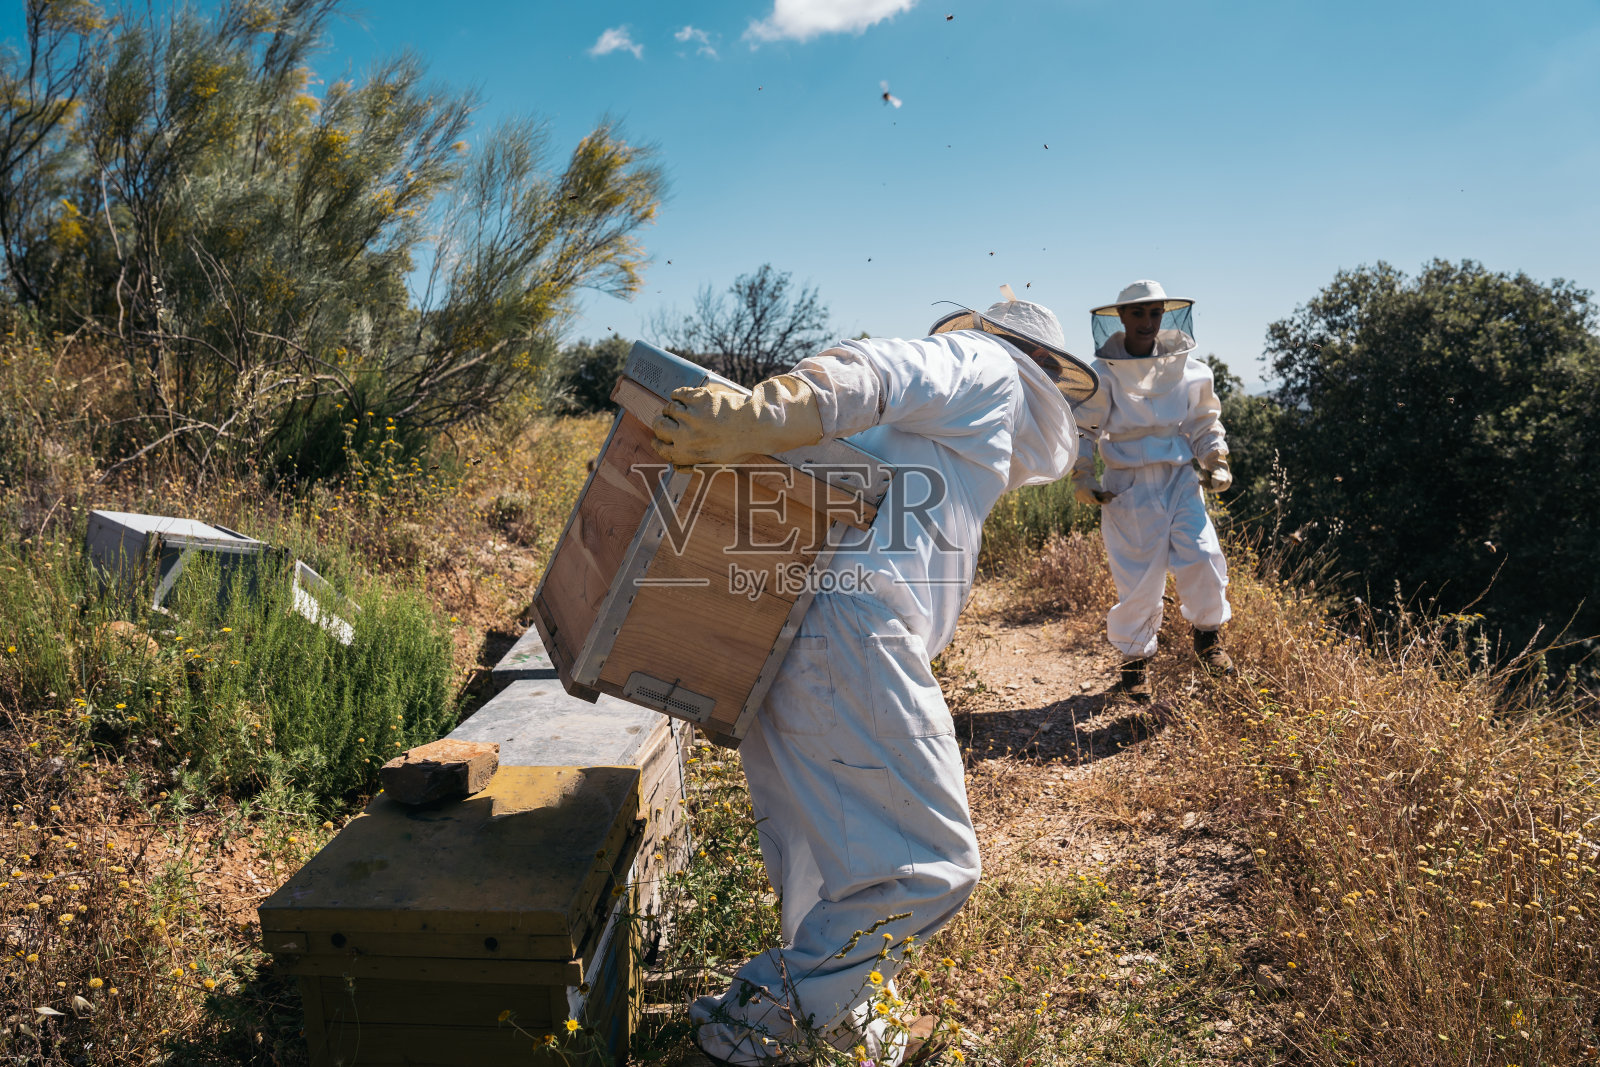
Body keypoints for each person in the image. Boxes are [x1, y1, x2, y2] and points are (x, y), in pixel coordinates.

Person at [650, 288, 1096, 1065]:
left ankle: (835, 1022)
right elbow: (883, 365)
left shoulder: (954, 429)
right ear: (1044, 368)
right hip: (853, 633)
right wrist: (760, 414)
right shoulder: (990, 365)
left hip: (801, 619)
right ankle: (748, 1027)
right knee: (935, 864)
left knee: (827, 855)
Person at [1070, 279, 1235, 702]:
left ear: (1166, 315)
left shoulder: (1188, 368)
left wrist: (1215, 459)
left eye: (1155, 312)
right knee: (1140, 579)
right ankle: (1135, 664)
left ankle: (1208, 638)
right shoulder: (1103, 374)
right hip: (1128, 484)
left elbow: (1202, 420)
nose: (1148, 321)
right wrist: (1082, 473)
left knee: (1202, 555)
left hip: (1179, 476)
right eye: (1139, 313)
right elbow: (1085, 427)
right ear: (1121, 317)